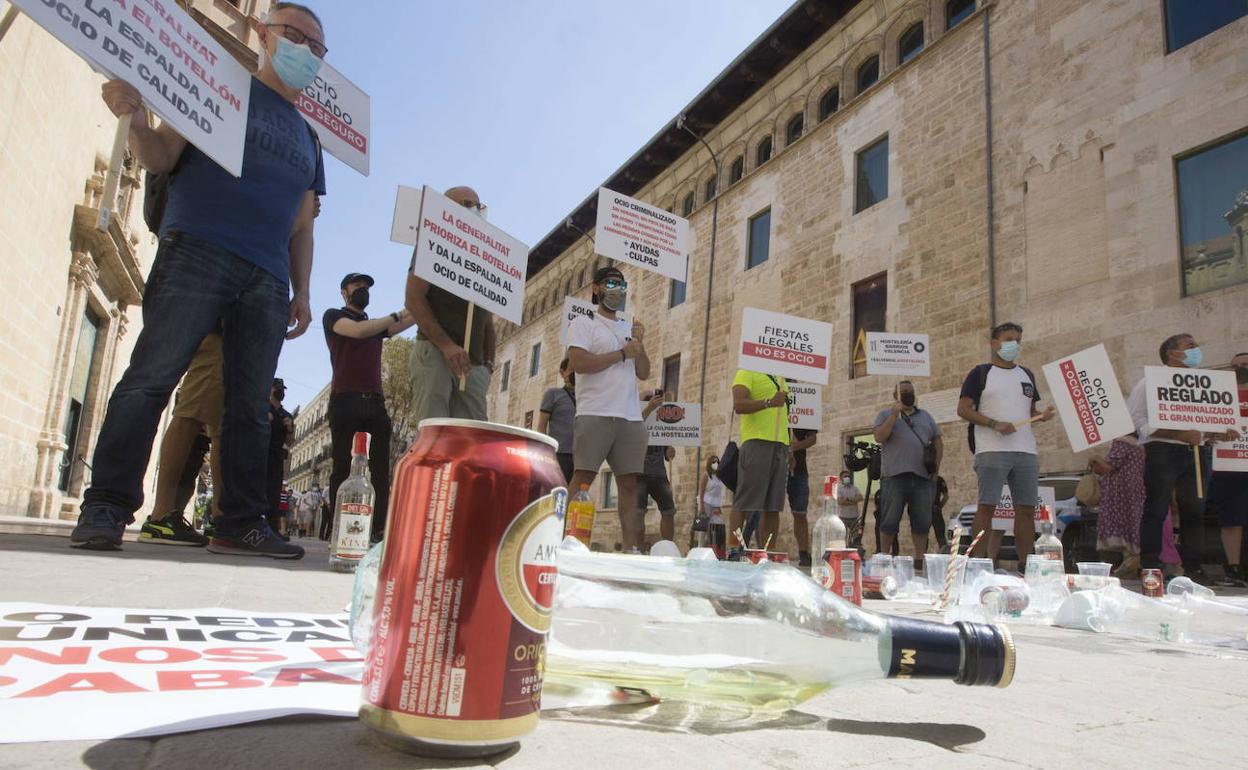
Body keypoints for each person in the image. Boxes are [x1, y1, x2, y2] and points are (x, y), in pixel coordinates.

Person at [71, 3, 328, 559]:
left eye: (317, 49)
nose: (306, 53)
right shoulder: (221, 87)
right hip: (198, 249)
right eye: (296, 37)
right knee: (150, 379)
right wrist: (136, 119)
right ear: (263, 36)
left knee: (246, 405)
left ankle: (239, 522)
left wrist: (302, 290)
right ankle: (107, 508)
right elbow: (161, 155)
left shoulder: (310, 141)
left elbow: (302, 225)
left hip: (266, 277)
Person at [1127, 334, 1239, 584]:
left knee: (1195, 512)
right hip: (1163, 452)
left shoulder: (1205, 384)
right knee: (1156, 509)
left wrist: (1219, 432)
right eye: (1190, 346)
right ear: (1171, 353)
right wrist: (1179, 434)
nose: (1196, 350)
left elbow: (1201, 424)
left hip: (1197, 452)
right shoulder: (1148, 384)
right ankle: (1150, 566)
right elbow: (1138, 422)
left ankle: (1193, 569)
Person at [324, 272, 415, 542]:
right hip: (344, 400)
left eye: (366, 286)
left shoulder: (375, 326)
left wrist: (425, 301)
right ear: (344, 292)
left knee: (380, 469)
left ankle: (377, 530)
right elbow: (359, 331)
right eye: (357, 285)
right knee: (341, 466)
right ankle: (338, 526)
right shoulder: (334, 316)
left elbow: (411, 319)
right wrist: (399, 315)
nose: (363, 290)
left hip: (375, 403)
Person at [566, 266, 650, 551]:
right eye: (611, 284)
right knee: (583, 478)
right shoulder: (583, 323)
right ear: (596, 288)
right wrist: (622, 353)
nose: (617, 290)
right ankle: (568, 544)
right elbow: (579, 364)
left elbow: (644, 372)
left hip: (629, 416)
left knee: (629, 485)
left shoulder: (628, 328)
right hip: (595, 413)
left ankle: (630, 548)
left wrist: (639, 343)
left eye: (622, 286)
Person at [957, 322, 1055, 563]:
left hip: (1026, 450)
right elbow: (962, 409)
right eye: (1008, 339)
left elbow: (1030, 410)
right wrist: (994, 424)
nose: (1014, 344)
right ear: (994, 343)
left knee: (1026, 509)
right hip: (992, 450)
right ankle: (979, 562)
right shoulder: (980, 373)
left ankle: (1027, 565)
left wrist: (1042, 415)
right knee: (987, 506)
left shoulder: (1027, 374)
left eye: (1018, 340)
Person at [405, 186, 496, 427]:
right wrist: (446, 345)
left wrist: (488, 364)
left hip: (473, 366)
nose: (474, 210)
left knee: (471, 439)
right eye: (467, 204)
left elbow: (487, 320)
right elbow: (413, 299)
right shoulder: (432, 243)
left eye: (478, 206)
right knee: (434, 433)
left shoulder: (485, 257)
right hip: (435, 352)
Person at [138, 334, 224, 546]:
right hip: (224, 326)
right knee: (193, 411)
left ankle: (223, 519)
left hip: (234, 329)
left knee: (221, 424)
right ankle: (161, 516)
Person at [873, 380, 943, 568]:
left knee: (922, 521)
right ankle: (884, 557)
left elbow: (937, 440)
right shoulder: (885, 414)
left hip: (922, 477)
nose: (907, 394)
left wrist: (936, 469)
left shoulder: (926, 416)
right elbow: (879, 437)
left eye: (910, 391)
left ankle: (920, 559)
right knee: (889, 519)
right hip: (894, 476)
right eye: (904, 391)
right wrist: (894, 415)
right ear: (896, 395)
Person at [730, 369, 790, 554]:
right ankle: (733, 550)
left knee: (773, 506)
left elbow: (783, 415)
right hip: (756, 441)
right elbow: (739, 405)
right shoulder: (746, 372)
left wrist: (790, 446)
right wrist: (769, 402)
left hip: (781, 445)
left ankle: (768, 553)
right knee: (744, 502)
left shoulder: (781, 377)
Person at [1209, 351, 1248, 586]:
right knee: (1231, 519)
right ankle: (1233, 568)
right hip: (1228, 465)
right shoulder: (1217, 397)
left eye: (1245, 364)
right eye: (1235, 365)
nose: (1240, 368)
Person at [1089, 435, 1145, 577]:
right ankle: (1132, 560)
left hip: (1120, 491)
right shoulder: (1140, 445)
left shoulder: (1122, 442)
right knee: (1132, 522)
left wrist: (1095, 458)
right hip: (1134, 489)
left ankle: (1131, 560)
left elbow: (1107, 467)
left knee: (1122, 523)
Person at [638, 391, 678, 543]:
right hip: (639, 472)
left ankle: (668, 547)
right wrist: (648, 407)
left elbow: (666, 451)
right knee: (638, 512)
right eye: (648, 399)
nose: (652, 400)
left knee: (669, 511)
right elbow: (634, 426)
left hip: (659, 474)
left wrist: (669, 452)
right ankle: (638, 548)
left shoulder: (660, 423)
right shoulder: (636, 415)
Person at [537, 358, 577, 483]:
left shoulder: (587, 396)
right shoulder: (553, 394)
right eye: (571, 370)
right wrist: (544, 451)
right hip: (559, 453)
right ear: (562, 372)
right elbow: (542, 425)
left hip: (580, 455)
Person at [787, 413, 818, 568]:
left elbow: (812, 438)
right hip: (775, 465)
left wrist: (793, 447)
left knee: (800, 512)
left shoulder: (804, 403)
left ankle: (804, 553)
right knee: (768, 509)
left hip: (799, 469)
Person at [266, 379, 295, 538]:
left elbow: (290, 442)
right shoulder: (262, 408)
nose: (280, 392)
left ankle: (273, 529)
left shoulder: (286, 415)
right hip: (261, 453)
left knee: (274, 493)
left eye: (282, 389)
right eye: (277, 388)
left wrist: (289, 428)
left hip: (277, 456)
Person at [697, 454, 728, 555]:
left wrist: (719, 506)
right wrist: (701, 506)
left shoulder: (719, 477)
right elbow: (701, 491)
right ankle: (700, 548)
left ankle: (713, 548)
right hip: (706, 503)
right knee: (704, 527)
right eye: (714, 462)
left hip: (715, 505)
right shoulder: (706, 475)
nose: (716, 464)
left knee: (715, 526)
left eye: (717, 462)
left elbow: (718, 493)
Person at [838, 470, 864, 546]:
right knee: (843, 537)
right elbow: (841, 502)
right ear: (841, 478)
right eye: (845, 476)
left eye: (848, 476)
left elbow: (860, 497)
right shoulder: (839, 489)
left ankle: (854, 550)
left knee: (856, 537)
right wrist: (853, 501)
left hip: (854, 518)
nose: (847, 478)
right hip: (843, 517)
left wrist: (847, 499)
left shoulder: (854, 488)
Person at [932, 475, 950, 553]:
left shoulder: (922, 479)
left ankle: (922, 557)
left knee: (922, 535)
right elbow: (946, 496)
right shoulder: (939, 479)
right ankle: (944, 554)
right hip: (935, 510)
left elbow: (946, 496)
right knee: (941, 536)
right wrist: (939, 506)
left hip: (927, 510)